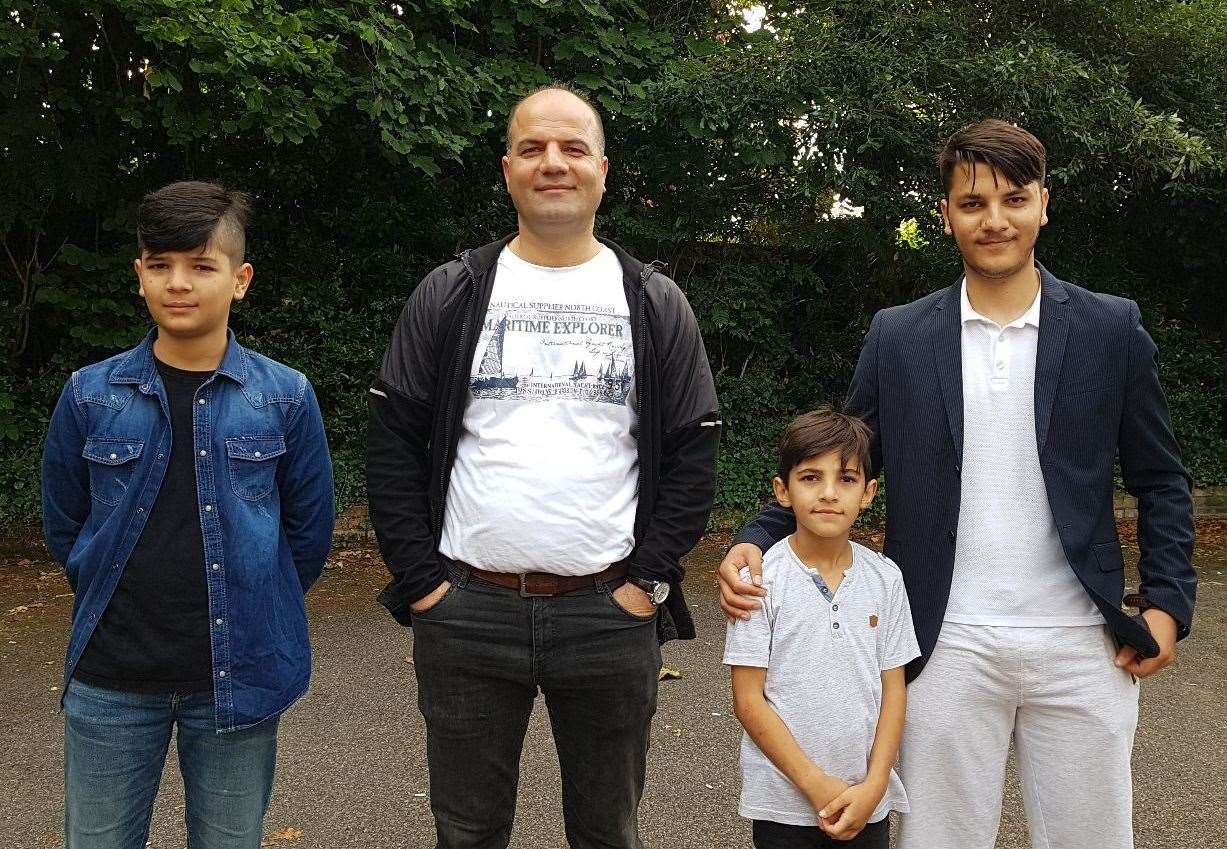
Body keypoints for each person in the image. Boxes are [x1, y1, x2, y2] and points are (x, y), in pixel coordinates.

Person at [718, 120, 1196, 849]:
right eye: (972, 203)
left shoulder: (1109, 328)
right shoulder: (899, 335)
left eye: (1013, 198)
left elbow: (1161, 478)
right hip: (943, 639)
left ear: (1044, 203)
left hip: (1082, 640)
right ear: (944, 214)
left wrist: (1166, 604)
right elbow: (845, 458)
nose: (994, 219)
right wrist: (757, 537)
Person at [366, 83, 720, 849]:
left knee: (606, 831)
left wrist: (644, 583)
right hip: (466, 613)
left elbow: (695, 451)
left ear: (601, 168)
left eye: (570, 148)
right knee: (466, 831)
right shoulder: (452, 291)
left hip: (608, 615)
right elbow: (392, 440)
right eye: (532, 148)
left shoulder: (652, 299)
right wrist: (424, 583)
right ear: (506, 169)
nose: (551, 163)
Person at [41, 181, 335, 849]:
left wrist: (256, 600)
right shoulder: (89, 395)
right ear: (139, 274)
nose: (179, 282)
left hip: (238, 678)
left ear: (240, 279)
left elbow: (307, 535)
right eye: (160, 263)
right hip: (110, 677)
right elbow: (66, 524)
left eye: (202, 265)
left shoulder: (285, 397)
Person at [725, 408, 917, 849]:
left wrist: (874, 786)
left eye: (846, 479)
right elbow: (749, 699)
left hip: (866, 800)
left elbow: (894, 692)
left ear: (868, 492)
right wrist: (815, 784)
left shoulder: (886, 578)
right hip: (784, 803)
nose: (829, 493)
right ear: (783, 490)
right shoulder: (758, 581)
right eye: (811, 477)